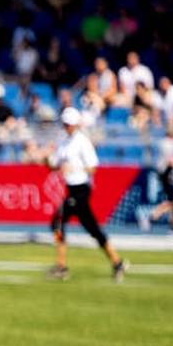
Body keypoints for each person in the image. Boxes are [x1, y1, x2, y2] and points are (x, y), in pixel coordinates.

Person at [44, 108, 127, 282]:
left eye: (68, 124)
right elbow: (53, 164)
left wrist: (74, 168)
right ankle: (117, 261)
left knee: (58, 222)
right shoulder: (64, 142)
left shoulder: (82, 141)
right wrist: (46, 158)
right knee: (92, 228)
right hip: (72, 189)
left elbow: (93, 167)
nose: (66, 127)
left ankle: (61, 266)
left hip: (81, 189)